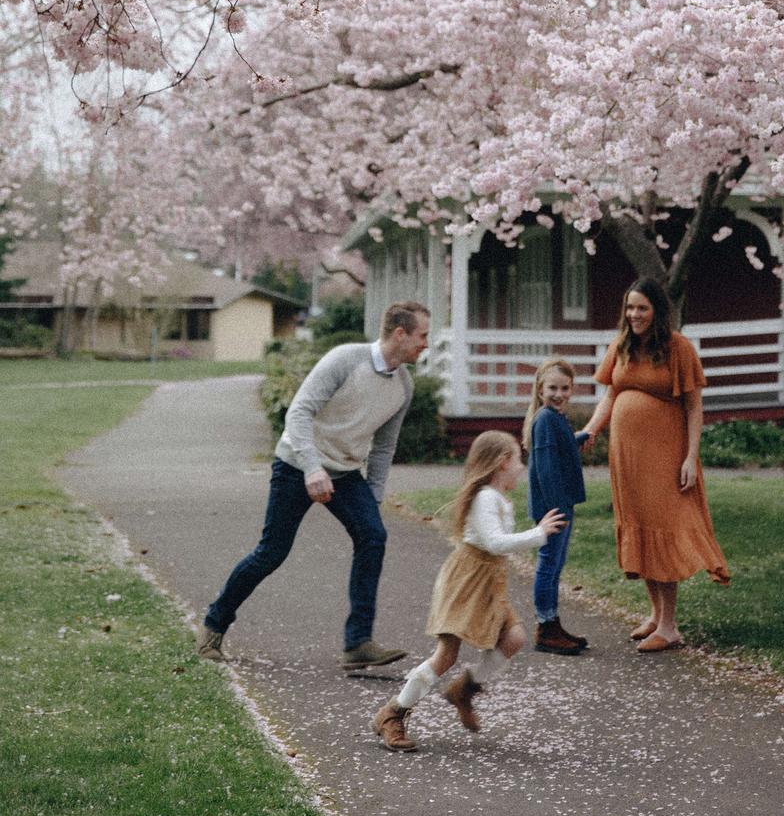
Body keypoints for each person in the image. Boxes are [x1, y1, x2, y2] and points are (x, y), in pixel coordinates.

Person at [195, 300, 429, 670]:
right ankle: (213, 625)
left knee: (373, 536)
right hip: (296, 464)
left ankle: (358, 643)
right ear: (400, 334)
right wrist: (311, 468)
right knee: (272, 552)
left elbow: (384, 446)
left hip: (346, 472)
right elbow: (298, 412)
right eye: (422, 335)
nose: (426, 344)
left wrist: (373, 496)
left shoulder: (403, 385)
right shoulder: (344, 360)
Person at [372, 430, 564, 751]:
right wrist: (539, 533)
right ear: (503, 463)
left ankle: (464, 689)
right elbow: (494, 543)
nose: (521, 466)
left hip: (490, 582)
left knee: (514, 639)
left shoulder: (499, 497)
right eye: (518, 459)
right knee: (446, 655)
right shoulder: (486, 498)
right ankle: (393, 713)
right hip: (467, 581)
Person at [580, 277, 729, 651]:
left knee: (663, 526)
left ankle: (669, 625)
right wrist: (590, 430)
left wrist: (691, 457)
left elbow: (694, 406)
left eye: (642, 308)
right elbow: (611, 394)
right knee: (639, 526)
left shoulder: (678, 348)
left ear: (657, 311)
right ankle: (654, 613)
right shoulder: (623, 345)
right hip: (627, 456)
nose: (634, 315)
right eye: (630, 308)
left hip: (665, 454)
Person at [522, 358, 589, 655]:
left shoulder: (555, 418)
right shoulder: (546, 419)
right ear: (540, 390)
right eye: (552, 388)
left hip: (561, 503)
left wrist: (579, 438)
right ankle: (545, 627)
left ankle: (552, 622)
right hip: (554, 507)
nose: (559, 393)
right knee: (549, 565)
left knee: (555, 564)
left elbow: (559, 447)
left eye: (565, 388)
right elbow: (547, 468)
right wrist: (554, 510)